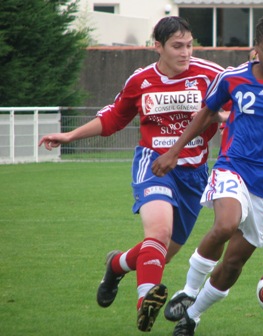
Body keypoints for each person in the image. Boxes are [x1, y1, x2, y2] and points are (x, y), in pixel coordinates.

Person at [39, 16, 229, 333]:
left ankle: (116, 265)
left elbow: (237, 105)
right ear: (158, 46)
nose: (185, 52)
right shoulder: (140, 80)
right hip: (153, 164)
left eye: (190, 45)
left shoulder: (211, 75)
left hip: (194, 174)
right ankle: (145, 302)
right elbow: (113, 118)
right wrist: (69, 136)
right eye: (177, 46)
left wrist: (226, 116)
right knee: (158, 234)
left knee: (161, 255)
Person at [151, 16, 263, 335]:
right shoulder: (232, 78)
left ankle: (192, 315)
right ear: (256, 49)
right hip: (232, 166)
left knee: (234, 263)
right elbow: (207, 112)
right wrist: (175, 150)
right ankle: (189, 290)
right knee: (225, 224)